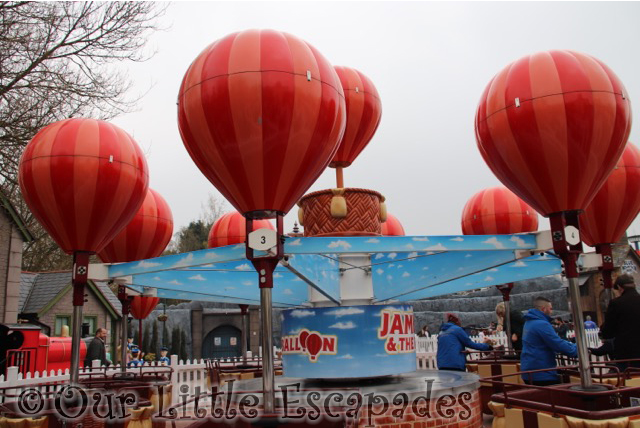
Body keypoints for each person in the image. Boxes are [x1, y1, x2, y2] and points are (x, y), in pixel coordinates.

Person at [521, 297, 577, 385]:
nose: (551, 312)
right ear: (544, 309)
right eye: (550, 309)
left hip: (529, 370)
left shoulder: (529, 322)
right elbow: (557, 343)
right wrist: (577, 350)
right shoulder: (542, 324)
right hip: (541, 372)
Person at [601, 274, 640, 370]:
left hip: (626, 354)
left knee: (628, 381)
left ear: (619, 287)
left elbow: (608, 332)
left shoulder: (616, 303)